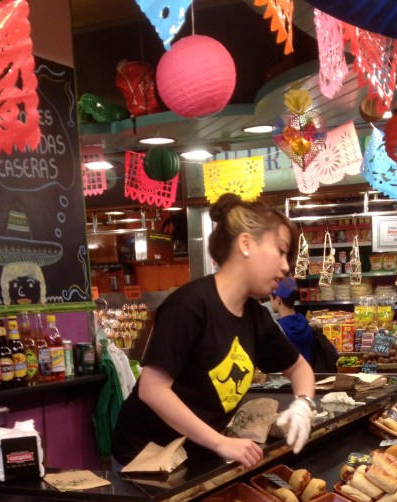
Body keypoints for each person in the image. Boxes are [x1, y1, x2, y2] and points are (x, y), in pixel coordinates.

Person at [111, 193, 316, 469]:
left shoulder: (256, 317)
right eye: (280, 250)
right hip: (146, 459)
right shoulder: (190, 306)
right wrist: (220, 442)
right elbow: (153, 389)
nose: (285, 267)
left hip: (198, 453)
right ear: (246, 243)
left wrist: (303, 404)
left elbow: (300, 368)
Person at [270, 277, 315, 363]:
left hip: (288, 375)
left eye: (270, 299)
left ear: (278, 300)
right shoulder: (303, 320)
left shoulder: (278, 328)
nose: (270, 303)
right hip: (308, 371)